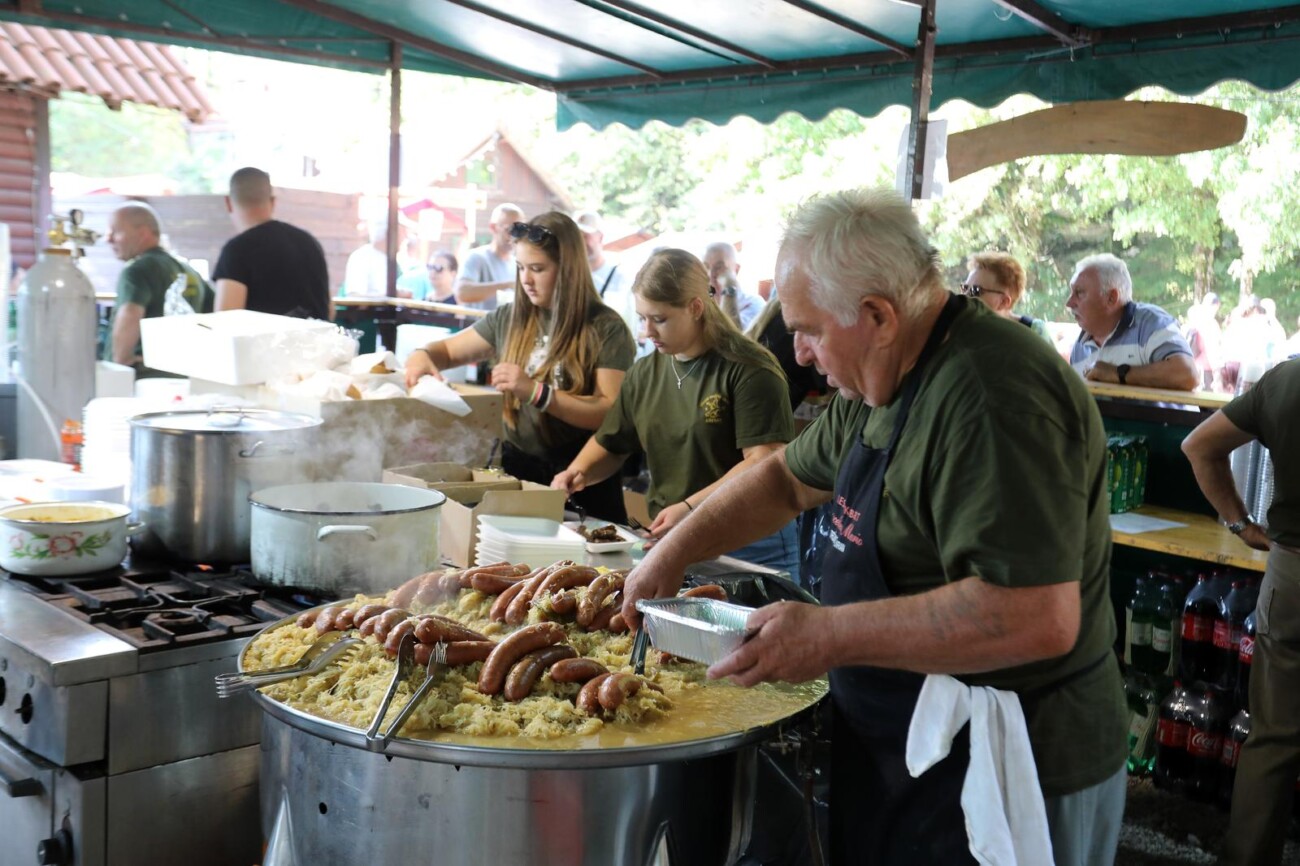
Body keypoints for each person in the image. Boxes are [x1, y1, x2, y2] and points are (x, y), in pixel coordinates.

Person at [621, 188, 1127, 866]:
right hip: (904, 741)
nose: (797, 352)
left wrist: (830, 634)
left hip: (1014, 769)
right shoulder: (874, 381)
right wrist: (671, 553)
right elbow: (784, 479)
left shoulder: (993, 398)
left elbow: (1033, 614)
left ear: (878, 316)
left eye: (808, 329)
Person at [552, 249, 801, 580]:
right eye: (642, 318)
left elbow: (763, 460)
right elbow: (613, 442)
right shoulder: (645, 373)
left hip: (749, 543)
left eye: (659, 319)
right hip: (674, 538)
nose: (647, 332)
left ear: (695, 308)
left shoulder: (750, 369)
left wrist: (689, 507)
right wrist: (577, 472)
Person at [404, 213, 635, 521]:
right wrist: (422, 355)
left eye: (537, 269)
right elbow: (445, 350)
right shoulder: (509, 318)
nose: (526, 279)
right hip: (519, 469)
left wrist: (537, 393)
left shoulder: (606, 328)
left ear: (569, 270)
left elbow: (609, 413)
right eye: (520, 268)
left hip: (582, 475)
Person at [1181, 358, 1300, 866]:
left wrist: (1240, 524)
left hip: (1292, 574)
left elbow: (1198, 446)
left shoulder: (1287, 380)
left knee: (1272, 738)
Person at [104, 202, 213, 375]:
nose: (108, 239)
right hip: (184, 377)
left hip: (143, 381)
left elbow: (130, 314)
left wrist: (120, 362)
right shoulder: (189, 271)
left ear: (143, 233)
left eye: (115, 231)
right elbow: (215, 317)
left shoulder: (137, 270)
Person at [212, 167, 332, 320]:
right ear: (273, 201)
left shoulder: (236, 251)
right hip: (319, 343)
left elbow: (225, 321)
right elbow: (329, 310)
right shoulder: (310, 243)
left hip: (264, 344)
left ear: (228, 203)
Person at [1066, 253, 1198, 390]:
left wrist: (1117, 373)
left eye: (1079, 293)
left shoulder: (1151, 323)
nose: (1069, 303)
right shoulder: (1080, 347)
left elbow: (1187, 375)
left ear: (1111, 298)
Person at [961, 251, 1052, 342]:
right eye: (965, 288)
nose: (965, 296)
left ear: (1004, 302)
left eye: (975, 290)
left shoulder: (1035, 331)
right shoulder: (962, 331)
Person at [455, 203, 523, 310]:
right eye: (509, 230)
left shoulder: (518, 264)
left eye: (519, 231)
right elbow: (462, 293)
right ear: (493, 227)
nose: (514, 236)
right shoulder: (476, 258)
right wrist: (507, 285)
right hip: (477, 325)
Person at [342, 218, 411, 298]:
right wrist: (392, 296)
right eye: (402, 232)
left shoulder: (389, 260)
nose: (405, 237)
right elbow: (354, 297)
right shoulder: (361, 257)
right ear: (388, 233)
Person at [702, 241, 764, 331]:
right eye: (706, 267)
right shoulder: (702, 302)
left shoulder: (753, 303)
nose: (711, 274)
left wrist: (729, 286)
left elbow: (730, 336)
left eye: (719, 267)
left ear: (736, 269)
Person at [1185, 292, 1224, 391]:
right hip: (1206, 372)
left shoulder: (1194, 322)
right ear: (1216, 305)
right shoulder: (1210, 324)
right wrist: (1217, 376)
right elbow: (1213, 351)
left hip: (1193, 368)